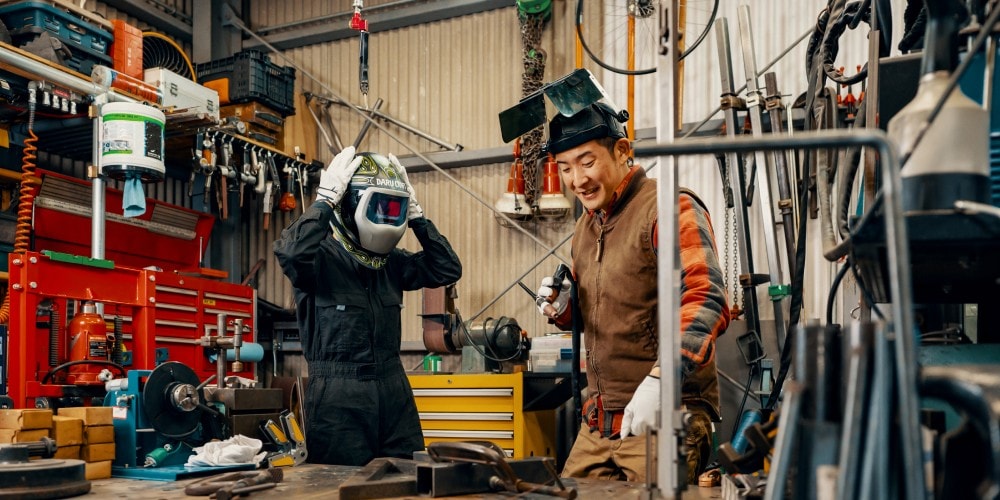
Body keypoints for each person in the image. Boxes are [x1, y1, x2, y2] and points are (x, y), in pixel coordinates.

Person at [535, 102, 730, 483]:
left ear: (622, 151)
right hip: (599, 424)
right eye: (565, 168)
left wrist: (663, 378)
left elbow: (706, 296)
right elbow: (609, 309)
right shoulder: (585, 229)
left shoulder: (669, 208)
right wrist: (566, 308)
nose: (577, 180)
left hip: (665, 415)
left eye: (587, 162)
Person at [274, 146, 462, 465]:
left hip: (394, 391)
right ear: (349, 206)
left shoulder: (391, 264)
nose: (387, 216)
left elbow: (447, 268)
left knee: (408, 476)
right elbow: (291, 253)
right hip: (338, 398)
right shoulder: (318, 260)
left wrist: (417, 218)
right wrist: (325, 202)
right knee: (339, 483)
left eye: (394, 208)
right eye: (380, 207)